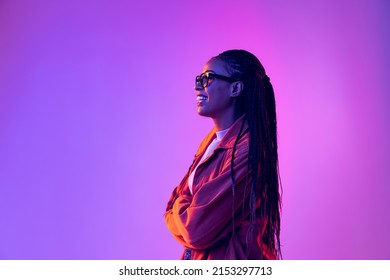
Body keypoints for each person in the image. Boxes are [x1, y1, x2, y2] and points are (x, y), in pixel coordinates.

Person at [164, 49, 282, 260]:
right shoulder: (210, 142)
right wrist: (185, 207)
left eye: (207, 78)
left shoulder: (248, 151)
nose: (197, 86)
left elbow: (195, 229)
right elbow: (170, 207)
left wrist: (181, 207)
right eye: (198, 78)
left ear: (235, 88)